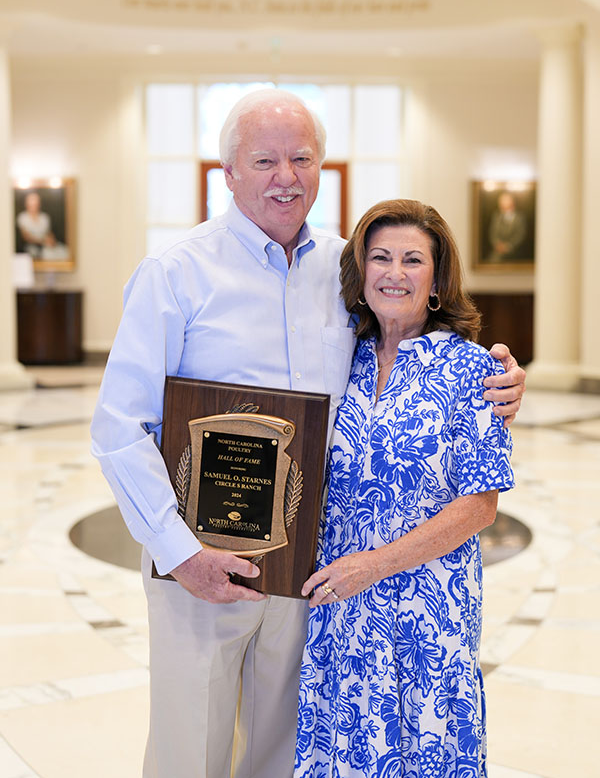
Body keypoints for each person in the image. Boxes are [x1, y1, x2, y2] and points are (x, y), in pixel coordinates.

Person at [90, 90, 524, 778]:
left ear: (322, 166)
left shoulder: (343, 269)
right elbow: (118, 428)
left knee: (283, 751)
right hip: (202, 566)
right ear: (228, 171)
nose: (284, 176)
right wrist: (180, 554)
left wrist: (500, 374)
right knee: (188, 754)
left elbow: (411, 338)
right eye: (263, 159)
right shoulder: (176, 274)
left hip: (302, 569)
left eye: (301, 158)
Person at [295, 199, 514, 778]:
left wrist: (374, 565)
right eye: (381, 257)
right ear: (360, 272)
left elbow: (480, 506)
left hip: (428, 612)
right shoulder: (340, 359)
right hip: (340, 607)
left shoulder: (476, 370)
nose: (395, 273)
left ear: (437, 280)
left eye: (413, 260)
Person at [487, 190, 527, 263]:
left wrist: (509, 246)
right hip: (498, 251)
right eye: (501, 201)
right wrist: (498, 244)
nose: (501, 203)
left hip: (515, 251)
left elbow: (520, 235)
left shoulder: (519, 218)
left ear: (512, 202)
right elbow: (493, 233)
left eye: (504, 201)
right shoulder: (496, 217)